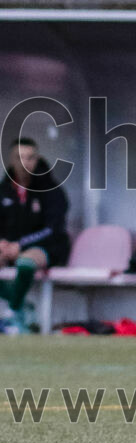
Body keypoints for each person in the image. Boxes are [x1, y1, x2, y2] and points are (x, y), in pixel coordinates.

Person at [0, 137, 71, 333]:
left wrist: (20, 245)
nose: (24, 163)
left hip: (49, 247)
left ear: (37, 159)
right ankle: (22, 305)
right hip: (12, 247)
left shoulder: (52, 190)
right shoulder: (4, 190)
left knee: (25, 262)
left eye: (29, 158)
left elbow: (53, 229)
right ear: (11, 160)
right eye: (19, 157)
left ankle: (14, 313)